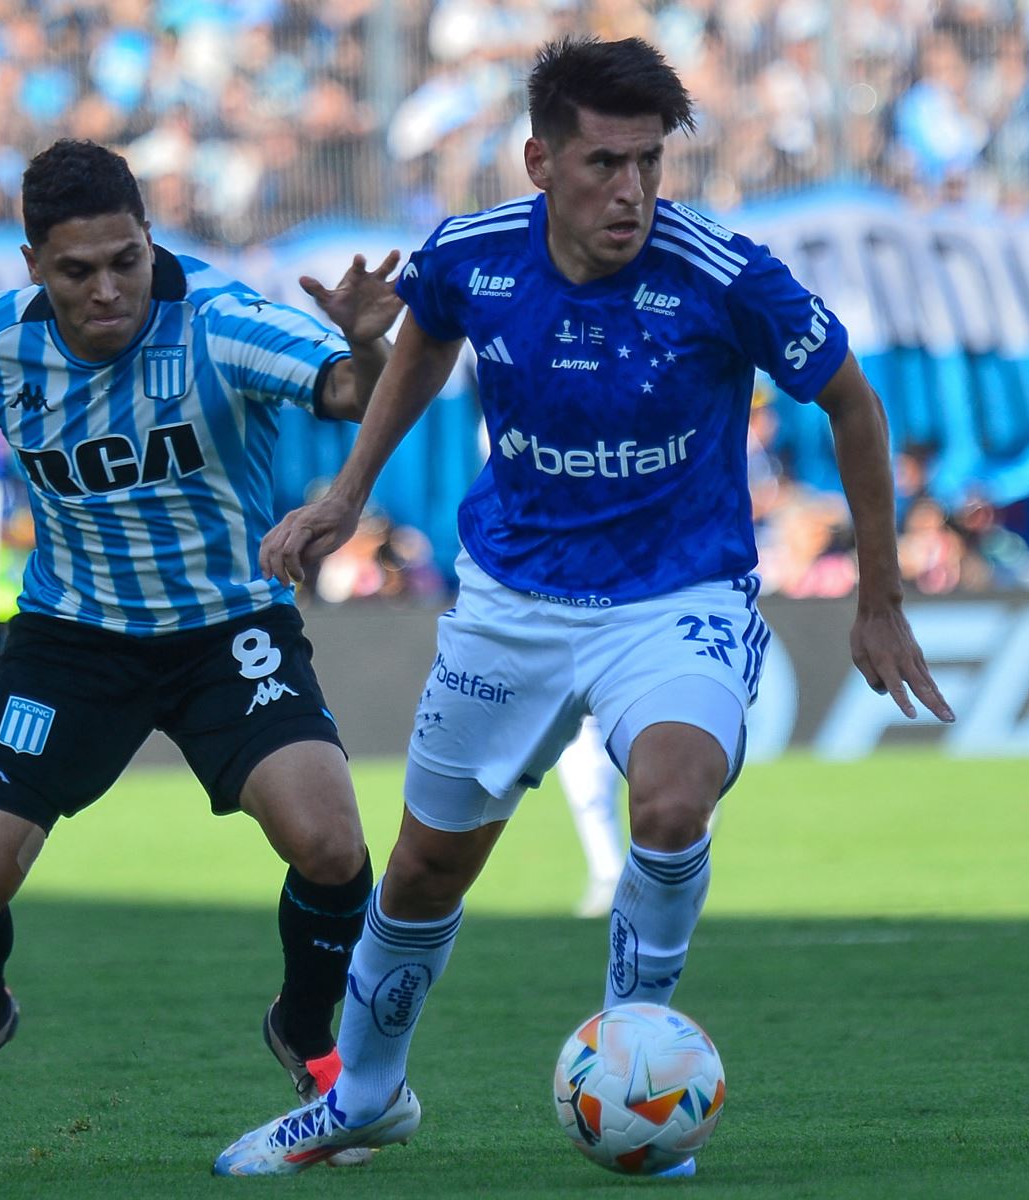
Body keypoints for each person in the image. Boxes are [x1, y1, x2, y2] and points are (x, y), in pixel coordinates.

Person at [215, 37, 951, 1176]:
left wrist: (880, 600)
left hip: (678, 596)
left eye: (651, 163)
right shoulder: (473, 254)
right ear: (539, 161)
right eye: (605, 163)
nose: (633, 192)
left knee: (667, 803)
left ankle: (635, 1067)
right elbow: (424, 335)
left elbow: (853, 404)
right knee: (421, 871)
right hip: (512, 601)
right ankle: (362, 1096)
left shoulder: (725, 275)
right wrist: (348, 493)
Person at [0, 139, 403, 1151]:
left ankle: (307, 1036)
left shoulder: (223, 322)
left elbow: (356, 394)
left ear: (150, 242)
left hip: (227, 627)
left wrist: (365, 346)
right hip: (72, 640)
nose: (107, 290)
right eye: (77, 271)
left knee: (331, 843)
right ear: (31, 266)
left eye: (125, 261)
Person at [557, 715, 625, 918]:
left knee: (593, 799)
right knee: (587, 798)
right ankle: (608, 876)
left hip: (623, 704)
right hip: (573, 713)